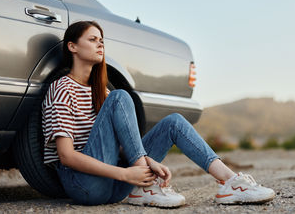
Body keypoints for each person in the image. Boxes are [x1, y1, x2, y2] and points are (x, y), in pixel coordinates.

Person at [41, 20, 275, 207]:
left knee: (174, 121)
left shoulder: (101, 92)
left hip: (114, 184)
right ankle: (144, 187)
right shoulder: (62, 88)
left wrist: (147, 163)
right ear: (72, 46)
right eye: (92, 40)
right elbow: (66, 157)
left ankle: (229, 181)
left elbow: (114, 146)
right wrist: (126, 175)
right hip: (83, 185)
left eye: (102, 40)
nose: (100, 45)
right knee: (120, 96)